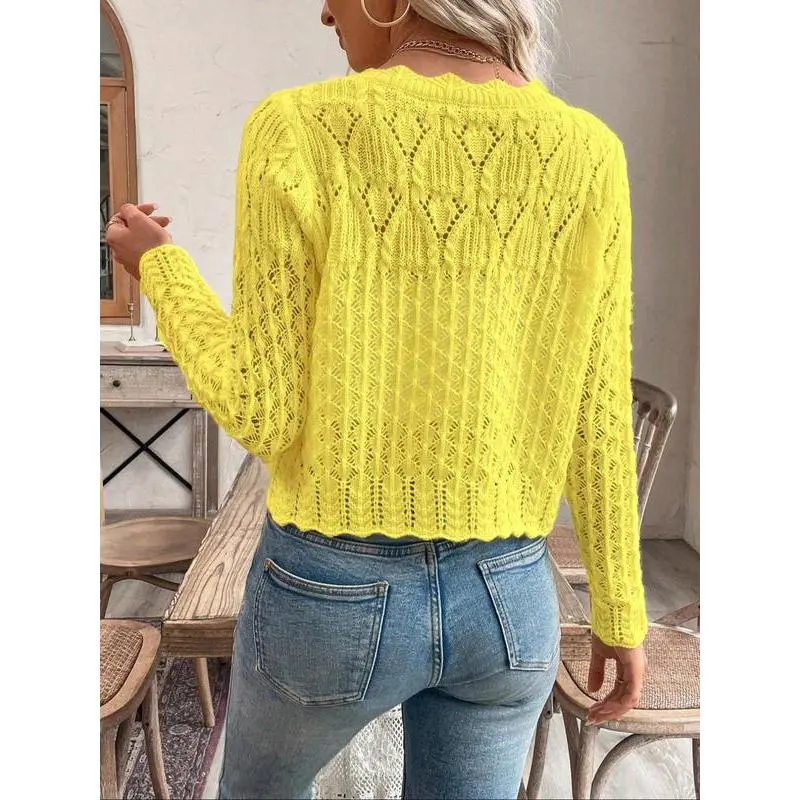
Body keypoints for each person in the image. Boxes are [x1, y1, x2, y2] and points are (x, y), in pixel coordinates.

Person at [106, 1, 649, 797]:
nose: (326, 13)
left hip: (331, 590)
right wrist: (620, 613)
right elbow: (598, 414)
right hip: (508, 595)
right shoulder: (589, 152)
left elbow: (260, 409)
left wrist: (161, 269)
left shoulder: (298, 127)